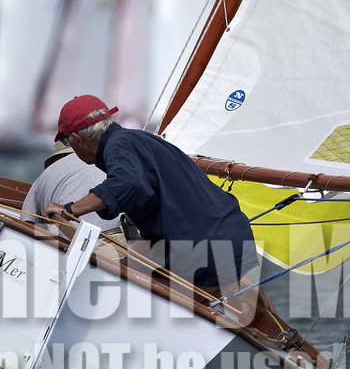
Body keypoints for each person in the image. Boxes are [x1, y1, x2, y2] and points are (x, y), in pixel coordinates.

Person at [45, 94, 259, 297]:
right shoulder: (140, 140)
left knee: (134, 295)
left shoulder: (119, 146)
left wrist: (70, 210)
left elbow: (125, 184)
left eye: (66, 142)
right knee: (238, 295)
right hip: (231, 236)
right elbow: (154, 207)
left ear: (76, 139)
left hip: (205, 250)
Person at [22, 134, 120, 231]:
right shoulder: (117, 168)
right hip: (114, 243)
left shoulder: (46, 174)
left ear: (57, 158)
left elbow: (27, 227)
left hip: (62, 242)